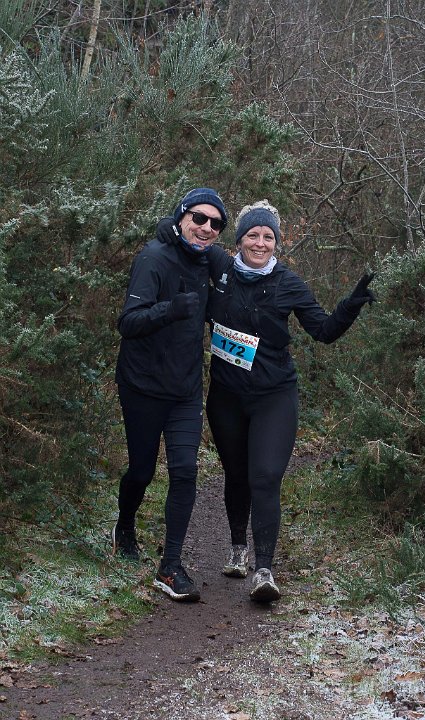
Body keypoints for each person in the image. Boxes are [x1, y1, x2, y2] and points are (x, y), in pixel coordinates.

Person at [157, 199, 375, 603]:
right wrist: (165, 230)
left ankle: (264, 570)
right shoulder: (220, 268)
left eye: (268, 237)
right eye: (253, 235)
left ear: (277, 242)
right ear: (239, 240)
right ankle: (237, 548)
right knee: (236, 473)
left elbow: (324, 331)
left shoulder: (288, 283)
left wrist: (350, 306)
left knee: (265, 477)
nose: (260, 243)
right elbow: (189, 239)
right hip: (226, 397)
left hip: (274, 395)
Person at [113, 187, 228, 603]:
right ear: (181, 217)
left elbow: (251, 272)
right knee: (142, 471)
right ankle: (125, 525)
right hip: (142, 385)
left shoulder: (209, 259)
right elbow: (128, 322)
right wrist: (170, 309)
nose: (207, 227)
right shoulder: (153, 258)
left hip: (185, 390)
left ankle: (170, 566)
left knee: (184, 472)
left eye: (216, 223)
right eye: (199, 218)